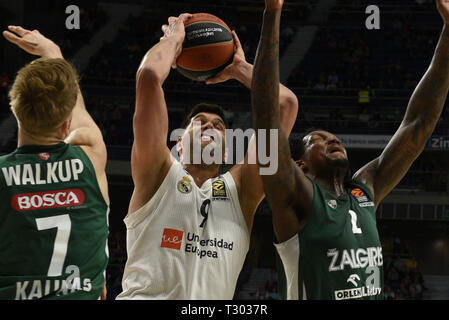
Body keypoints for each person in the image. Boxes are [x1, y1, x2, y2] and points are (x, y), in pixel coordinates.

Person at [251, 0, 449, 300]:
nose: (333, 139)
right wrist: (272, 12)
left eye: (334, 137)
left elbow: (418, 124)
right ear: (300, 164)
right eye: (318, 139)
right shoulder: (295, 198)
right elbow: (266, 120)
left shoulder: (364, 190)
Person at [116, 14, 298, 300]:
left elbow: (285, 104)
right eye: (200, 121)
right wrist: (173, 41)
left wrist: (239, 68)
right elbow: (149, 77)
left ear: (226, 150)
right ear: (178, 141)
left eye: (219, 126)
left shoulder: (244, 191)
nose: (210, 125)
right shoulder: (156, 174)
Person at [0, 26, 109, 300]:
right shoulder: (90, 156)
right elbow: (77, 108)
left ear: (15, 110)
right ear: (66, 126)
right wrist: (53, 53)